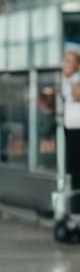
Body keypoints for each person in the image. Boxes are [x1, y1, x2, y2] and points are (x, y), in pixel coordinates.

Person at [61, 43, 80, 212]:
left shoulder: (76, 79)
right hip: (66, 128)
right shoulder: (62, 81)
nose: (65, 64)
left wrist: (73, 79)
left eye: (69, 61)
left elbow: (77, 96)